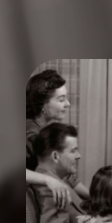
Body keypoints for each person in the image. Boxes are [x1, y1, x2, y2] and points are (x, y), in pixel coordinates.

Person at [25, 68, 85, 206]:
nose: (67, 104)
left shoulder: (45, 130)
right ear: (42, 104)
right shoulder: (30, 135)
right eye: (61, 99)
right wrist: (48, 180)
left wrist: (95, 198)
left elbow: (69, 177)